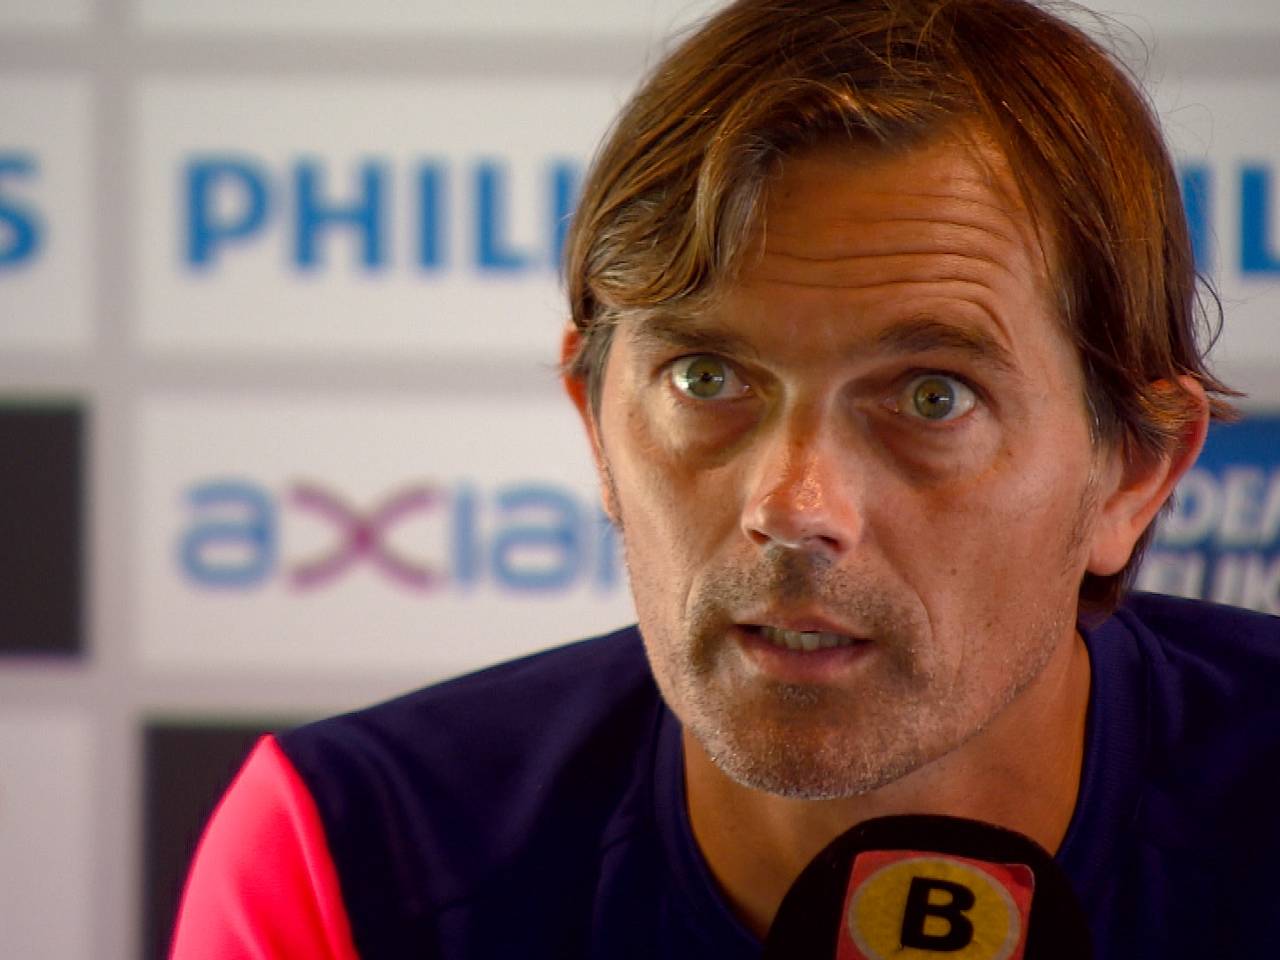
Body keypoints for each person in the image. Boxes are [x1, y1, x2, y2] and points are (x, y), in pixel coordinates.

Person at [170, 1, 1280, 957]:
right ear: (596, 425)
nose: (793, 508)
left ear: (1132, 475)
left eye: (931, 396)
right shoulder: (353, 855)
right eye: (706, 379)